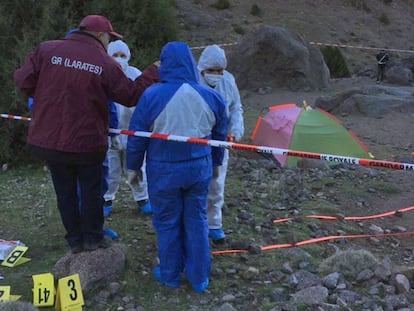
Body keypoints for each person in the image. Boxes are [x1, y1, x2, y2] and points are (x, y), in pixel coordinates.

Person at [13, 15, 159, 254]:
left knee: (65, 192)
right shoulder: (104, 62)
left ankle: (74, 241)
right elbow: (130, 94)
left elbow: (22, 80)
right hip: (87, 142)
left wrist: (43, 97)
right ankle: (93, 238)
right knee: (92, 191)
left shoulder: (47, 49)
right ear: (100, 35)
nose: (109, 44)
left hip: (49, 140)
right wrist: (152, 72)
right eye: (109, 38)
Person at [126, 41, 227, 292]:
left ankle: (170, 274)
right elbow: (219, 136)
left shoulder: (151, 95)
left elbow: (137, 135)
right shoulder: (211, 96)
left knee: (167, 221)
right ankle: (199, 277)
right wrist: (216, 163)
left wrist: (133, 167)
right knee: (197, 220)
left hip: (163, 170)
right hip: (199, 167)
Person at [197, 44, 244, 243]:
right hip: (197, 138)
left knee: (216, 182)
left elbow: (236, 108)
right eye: (211, 70)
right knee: (197, 182)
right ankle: (196, 223)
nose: (216, 74)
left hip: (220, 139)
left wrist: (235, 130)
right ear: (202, 68)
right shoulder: (193, 81)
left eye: (219, 71)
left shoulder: (229, 81)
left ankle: (214, 223)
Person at [103, 40, 151, 217]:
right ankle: (106, 199)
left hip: (132, 132)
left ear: (129, 56)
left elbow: (143, 103)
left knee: (135, 168)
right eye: (114, 55)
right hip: (110, 134)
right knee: (111, 169)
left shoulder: (135, 74)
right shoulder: (103, 75)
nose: (119, 59)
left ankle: (142, 198)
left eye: (122, 55)